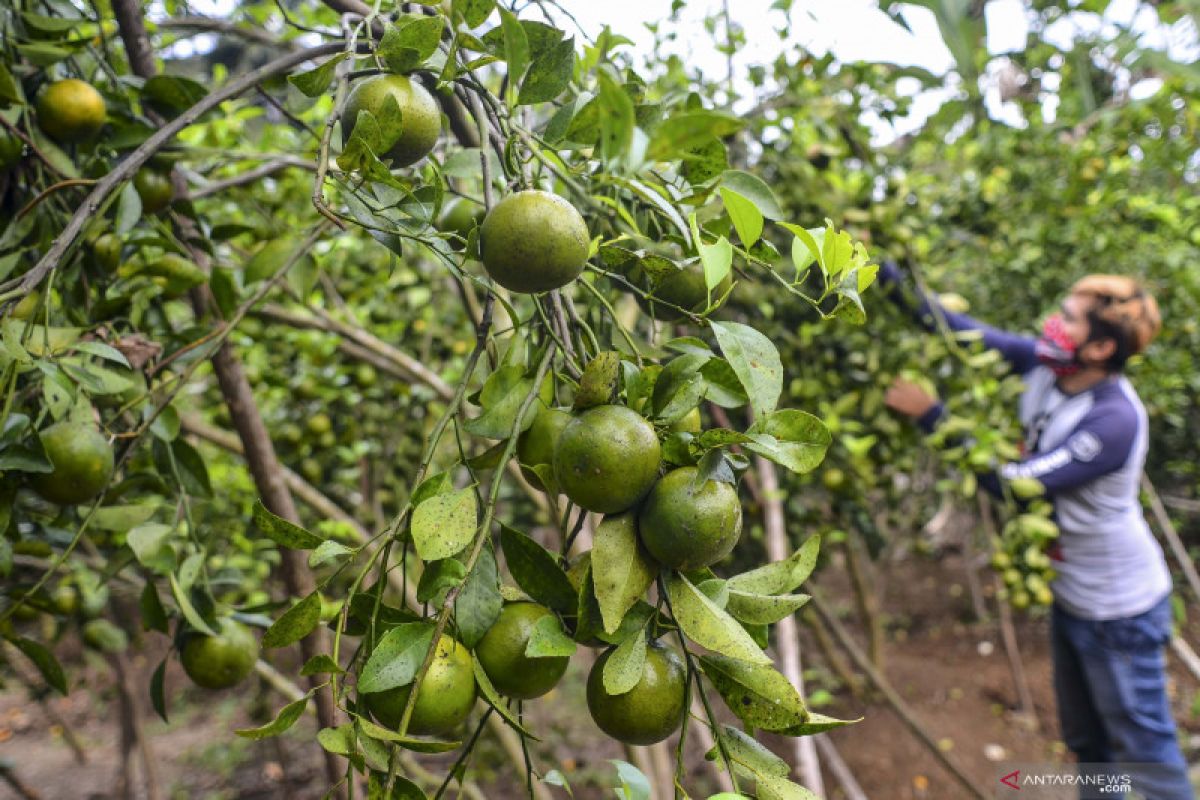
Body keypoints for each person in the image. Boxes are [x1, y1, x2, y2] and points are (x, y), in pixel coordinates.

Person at [878, 262, 1193, 800]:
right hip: (1073, 601)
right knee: (1088, 746)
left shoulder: (1114, 420)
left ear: (1097, 349)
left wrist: (932, 416)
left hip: (1121, 611)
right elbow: (955, 327)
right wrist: (879, 272)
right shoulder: (1046, 367)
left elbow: (1015, 485)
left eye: (1067, 319)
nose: (1052, 323)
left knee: (1144, 749)